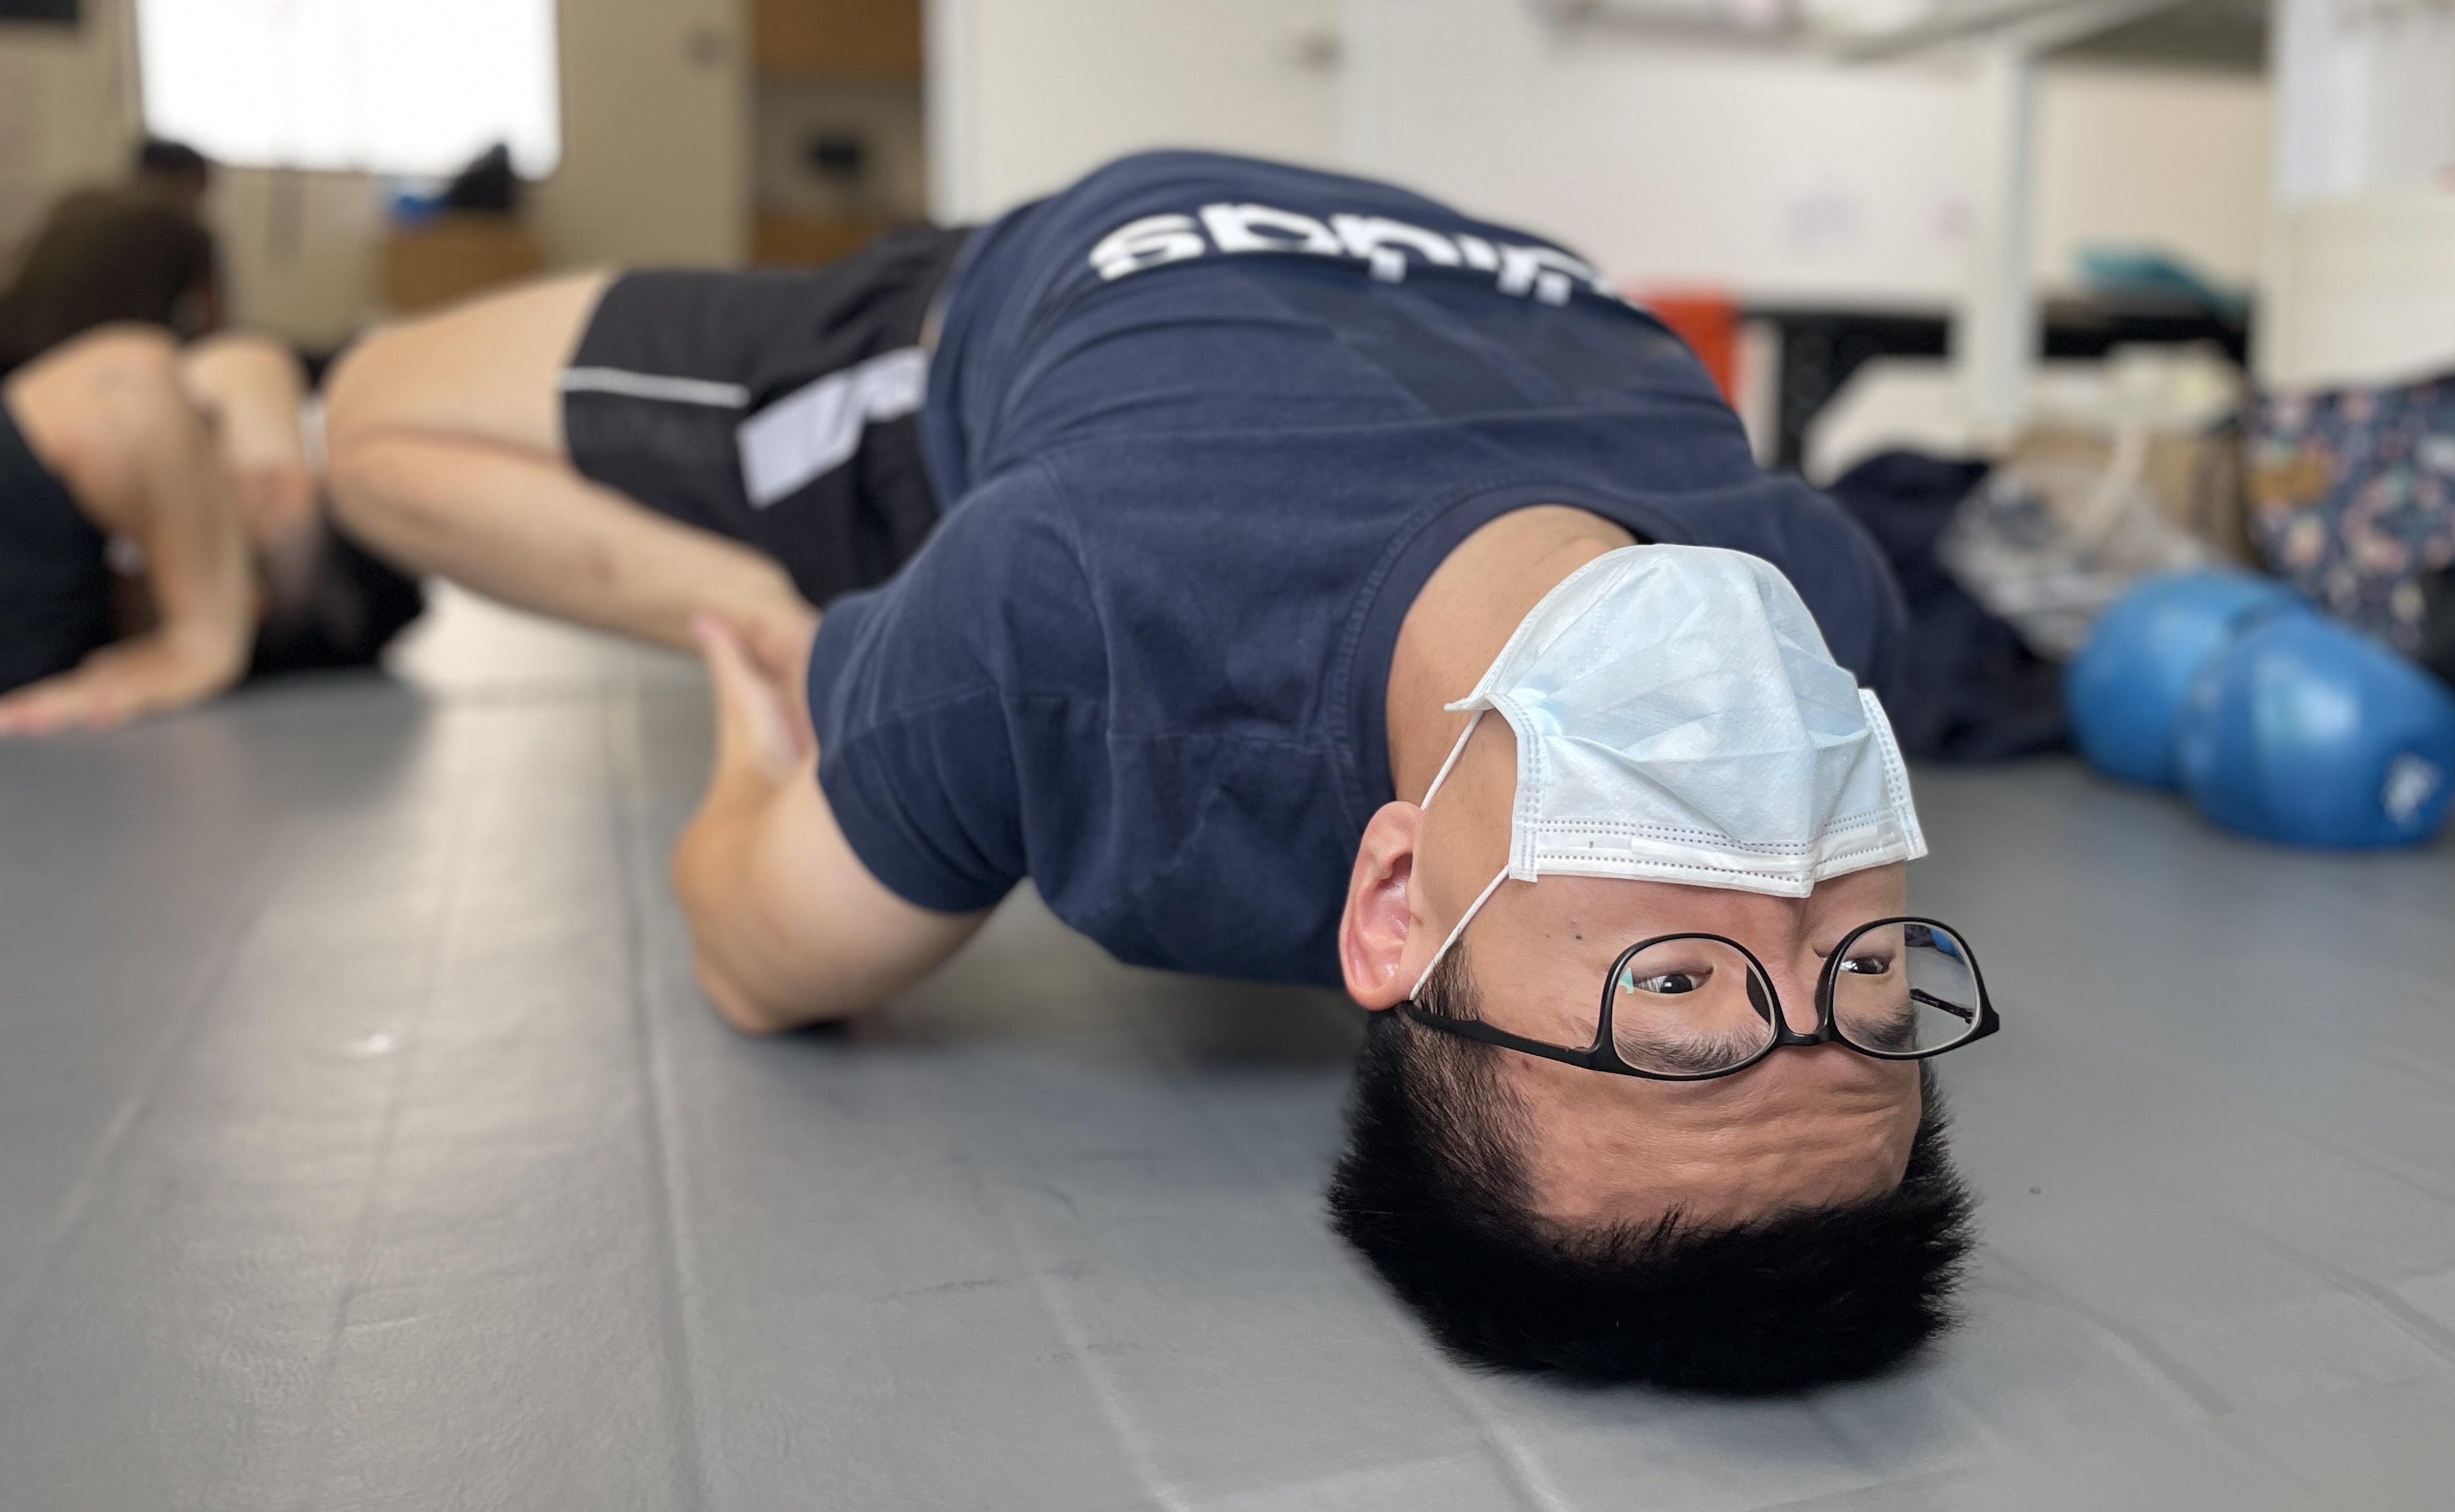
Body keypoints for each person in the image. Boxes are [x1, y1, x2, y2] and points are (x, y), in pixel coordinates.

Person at [324, 151, 1990, 1393]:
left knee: (370, 428)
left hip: (1012, 306)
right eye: (1862, 985)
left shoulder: (1071, 619)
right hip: (1480, 266)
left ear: (1397, 899)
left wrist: (779, 658)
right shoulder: (1830, 608)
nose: (1787, 874)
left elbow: (758, 955)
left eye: (1677, 984)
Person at [0, 324, 423, 732]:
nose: (265, 472)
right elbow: (244, 364)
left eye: (275, 493)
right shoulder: (73, 623)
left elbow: (128, 383)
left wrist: (204, 637)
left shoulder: (54, 597)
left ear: (254, 601)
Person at [0, 139, 223, 373]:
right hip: (78, 360)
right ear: (193, 179)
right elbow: (214, 329)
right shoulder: (183, 223)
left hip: (10, 344)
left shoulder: (78, 201)